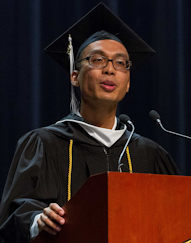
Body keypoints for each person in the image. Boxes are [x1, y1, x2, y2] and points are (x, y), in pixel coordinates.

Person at [0, 3, 178, 242]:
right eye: (97, 60)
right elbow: (13, 216)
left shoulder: (151, 155)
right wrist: (37, 221)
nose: (110, 70)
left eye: (120, 63)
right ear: (75, 76)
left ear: (128, 83)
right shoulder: (44, 144)